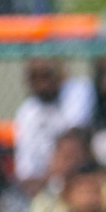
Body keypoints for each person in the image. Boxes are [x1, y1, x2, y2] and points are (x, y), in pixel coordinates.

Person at [13, 59, 94, 188]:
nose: (41, 83)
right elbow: (25, 170)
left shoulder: (78, 89)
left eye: (46, 75)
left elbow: (73, 142)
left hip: (77, 176)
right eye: (34, 77)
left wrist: (51, 179)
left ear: (62, 74)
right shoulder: (26, 111)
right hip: (42, 181)